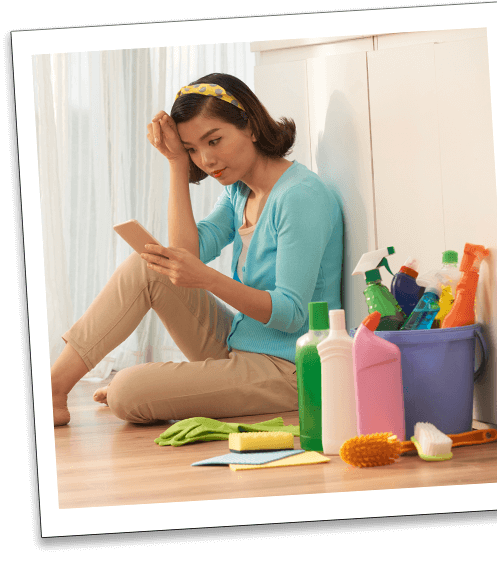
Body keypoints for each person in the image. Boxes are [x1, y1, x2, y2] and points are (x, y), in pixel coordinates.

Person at [51, 73, 343, 427]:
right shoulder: (240, 191)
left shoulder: (299, 197)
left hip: (292, 368)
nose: (206, 159)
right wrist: (177, 163)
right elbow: (185, 252)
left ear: (250, 127)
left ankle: (144, 388)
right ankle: (55, 386)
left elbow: (292, 313)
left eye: (214, 140)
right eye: (193, 149)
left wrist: (208, 280)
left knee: (127, 392)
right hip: (243, 343)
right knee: (148, 265)